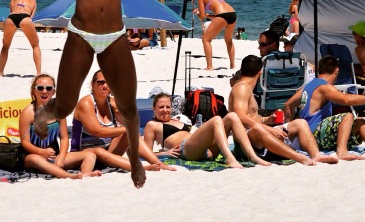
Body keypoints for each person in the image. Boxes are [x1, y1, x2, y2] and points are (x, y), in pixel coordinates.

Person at [12, 0, 228, 188]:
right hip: (80, 34)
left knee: (128, 107)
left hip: (114, 36)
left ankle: (136, 160)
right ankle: (43, 115)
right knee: (63, 106)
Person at [283, 56, 365, 160]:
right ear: (337, 71)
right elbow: (345, 100)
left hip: (309, 136)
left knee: (360, 123)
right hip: (314, 136)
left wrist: (290, 130)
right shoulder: (324, 87)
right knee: (347, 116)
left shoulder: (308, 86)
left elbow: (287, 105)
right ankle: (342, 151)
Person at [228, 55, 338, 165]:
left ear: (242, 69)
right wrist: (271, 130)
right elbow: (240, 117)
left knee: (300, 123)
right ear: (260, 72)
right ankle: (299, 157)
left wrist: (267, 119)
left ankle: (316, 155)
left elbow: (251, 117)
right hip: (244, 142)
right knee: (257, 129)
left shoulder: (246, 88)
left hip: (256, 135)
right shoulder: (241, 88)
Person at [70, 71, 175, 172]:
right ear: (92, 85)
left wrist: (118, 109)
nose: (105, 86)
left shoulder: (112, 103)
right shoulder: (86, 103)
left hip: (108, 154)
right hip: (84, 155)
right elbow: (98, 131)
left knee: (130, 134)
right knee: (101, 149)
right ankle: (142, 168)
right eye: (100, 82)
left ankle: (157, 163)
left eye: (109, 82)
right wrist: (125, 129)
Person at [143, 93, 271, 168]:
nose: (165, 110)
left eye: (167, 107)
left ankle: (252, 156)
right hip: (187, 150)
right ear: (154, 109)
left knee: (232, 116)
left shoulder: (177, 119)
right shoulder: (152, 125)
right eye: (161, 107)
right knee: (216, 120)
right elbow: (144, 153)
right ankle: (229, 158)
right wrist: (166, 153)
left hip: (205, 148)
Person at [18, 74, 102, 179]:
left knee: (90, 155)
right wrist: (41, 152)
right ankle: (69, 176)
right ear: (34, 91)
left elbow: (64, 137)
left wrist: (62, 157)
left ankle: (84, 175)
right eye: (40, 88)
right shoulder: (27, 113)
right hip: (31, 155)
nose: (44, 91)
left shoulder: (58, 111)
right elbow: (25, 142)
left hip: (54, 155)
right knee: (35, 159)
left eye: (49, 88)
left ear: (54, 91)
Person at [0, 0, 42, 77]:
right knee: (35, 45)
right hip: (25, 17)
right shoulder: (33, 1)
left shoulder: (12, 0)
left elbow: (12, 12)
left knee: (5, 46)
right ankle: (38, 73)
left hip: (11, 18)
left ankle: (1, 73)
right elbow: (31, 17)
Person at [194, 0, 237, 70]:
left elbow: (202, 17)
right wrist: (206, 15)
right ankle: (232, 65)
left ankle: (209, 66)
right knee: (228, 40)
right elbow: (220, 15)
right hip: (232, 13)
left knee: (205, 39)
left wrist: (198, 13)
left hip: (222, 15)